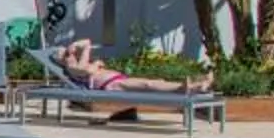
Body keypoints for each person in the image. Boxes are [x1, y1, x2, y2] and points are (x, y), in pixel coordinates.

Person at [55, 38, 198, 94]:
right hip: (111, 85)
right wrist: (97, 64)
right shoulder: (72, 68)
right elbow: (89, 70)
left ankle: (196, 86)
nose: (71, 54)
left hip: (116, 78)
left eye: (70, 52)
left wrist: (74, 44)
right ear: (62, 61)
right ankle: (184, 88)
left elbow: (87, 42)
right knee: (147, 84)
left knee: (156, 82)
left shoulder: (79, 62)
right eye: (66, 54)